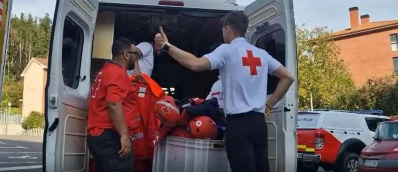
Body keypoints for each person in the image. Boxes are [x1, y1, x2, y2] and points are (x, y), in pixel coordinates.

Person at [154, 11, 294, 172]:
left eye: (222, 30)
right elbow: (288, 77)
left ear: (227, 28)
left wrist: (166, 46)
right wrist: (269, 105)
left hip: (238, 124)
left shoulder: (227, 50)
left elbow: (196, 64)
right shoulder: (261, 54)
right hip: (258, 124)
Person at [86, 37, 141, 172]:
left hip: (102, 136)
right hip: (109, 137)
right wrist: (124, 135)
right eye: (135, 54)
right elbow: (114, 103)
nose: (136, 58)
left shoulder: (106, 70)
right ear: (126, 55)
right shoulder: (116, 73)